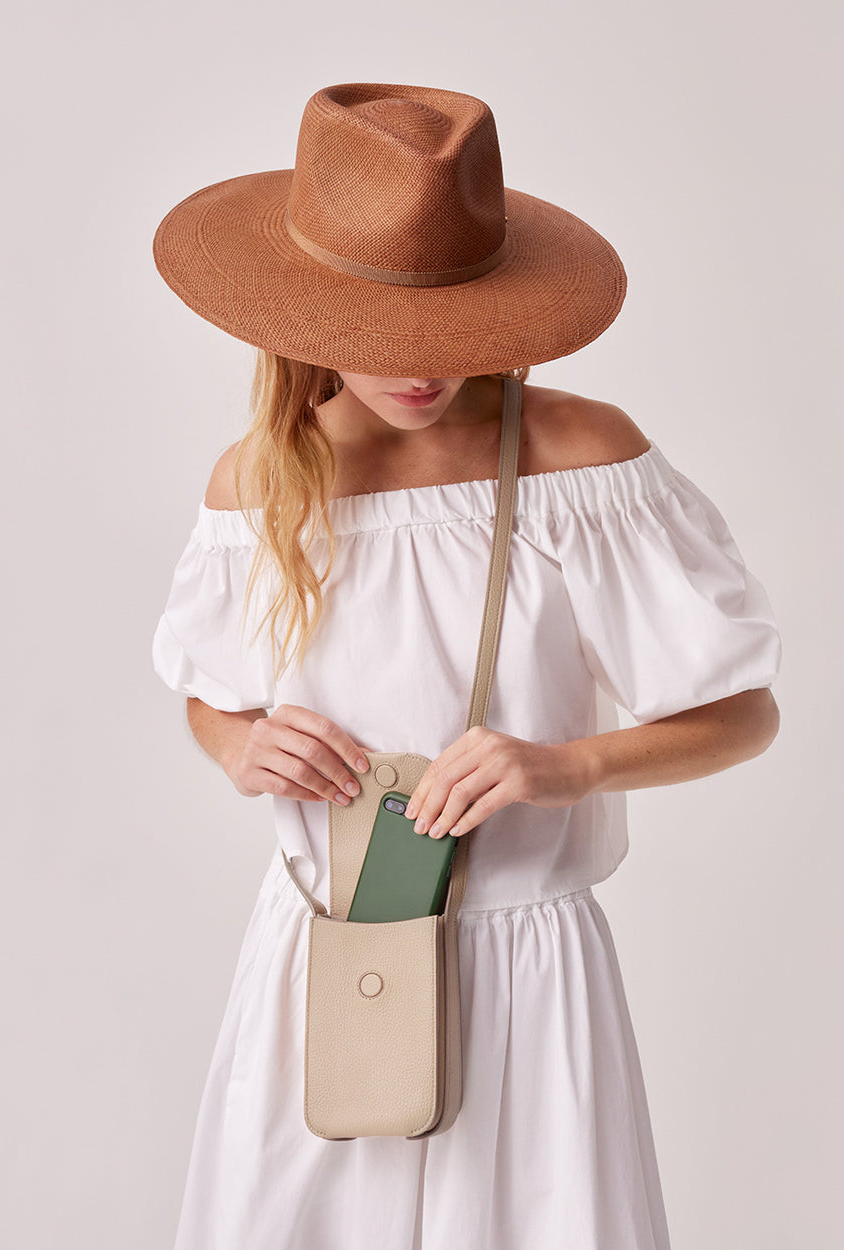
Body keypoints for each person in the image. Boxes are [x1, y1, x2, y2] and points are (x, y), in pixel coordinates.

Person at [152, 82, 782, 1250]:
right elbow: (208, 690)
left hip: (527, 965)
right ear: (305, 310)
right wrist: (238, 742)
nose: (423, 367)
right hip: (326, 958)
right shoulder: (258, 483)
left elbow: (742, 713)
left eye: (455, 325)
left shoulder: (576, 458)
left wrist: (566, 764)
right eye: (385, 333)